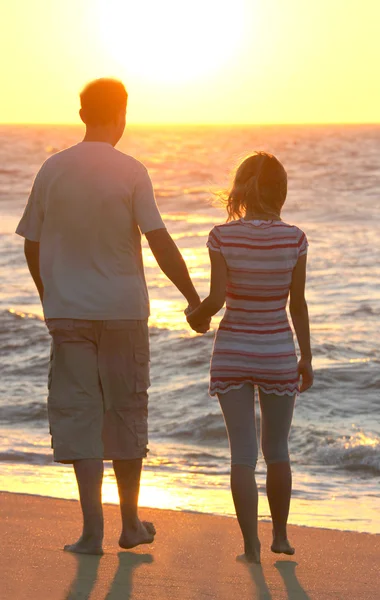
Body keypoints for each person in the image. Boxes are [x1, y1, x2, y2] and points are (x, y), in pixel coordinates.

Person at [16, 78, 207, 555]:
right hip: (122, 311)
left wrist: (50, 296)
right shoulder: (132, 171)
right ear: (122, 116)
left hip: (69, 314)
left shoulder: (51, 169)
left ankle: (91, 531)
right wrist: (192, 298)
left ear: (82, 115)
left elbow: (31, 243)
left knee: (80, 416)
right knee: (124, 412)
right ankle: (130, 524)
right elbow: (159, 239)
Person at [186, 152, 313, 563]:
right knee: (277, 449)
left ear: (240, 189)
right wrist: (306, 358)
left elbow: (219, 299)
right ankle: (279, 535)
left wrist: (196, 314)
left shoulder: (222, 237)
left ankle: (250, 547)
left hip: (234, 350)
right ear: (281, 191)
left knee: (242, 454)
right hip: (277, 349)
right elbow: (298, 305)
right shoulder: (294, 238)